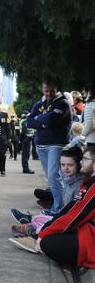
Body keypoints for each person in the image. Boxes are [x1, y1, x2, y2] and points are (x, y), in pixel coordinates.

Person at [36, 146, 95, 267]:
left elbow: (75, 216)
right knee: (47, 233)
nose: (81, 162)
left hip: (90, 241)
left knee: (47, 243)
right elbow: (69, 209)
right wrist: (45, 230)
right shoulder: (89, 182)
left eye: (85, 159)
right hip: (85, 231)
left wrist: (43, 235)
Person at [26, 84, 72, 215]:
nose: (48, 93)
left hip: (55, 144)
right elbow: (29, 122)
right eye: (46, 91)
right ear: (42, 90)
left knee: (54, 175)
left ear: (56, 89)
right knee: (51, 178)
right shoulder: (39, 104)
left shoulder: (63, 103)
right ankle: (58, 205)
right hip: (41, 144)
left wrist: (39, 120)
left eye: (51, 90)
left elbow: (51, 119)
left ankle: (59, 208)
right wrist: (44, 122)